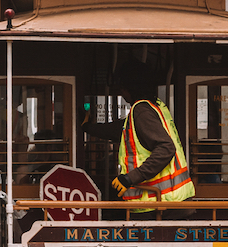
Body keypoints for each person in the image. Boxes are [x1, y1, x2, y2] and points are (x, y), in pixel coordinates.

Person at [83, 59, 194, 208]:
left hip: (159, 202)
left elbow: (166, 148)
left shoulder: (141, 111)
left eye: (122, 87)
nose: (121, 92)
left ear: (130, 88)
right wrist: (88, 128)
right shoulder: (157, 106)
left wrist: (129, 178)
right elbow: (119, 129)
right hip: (173, 199)